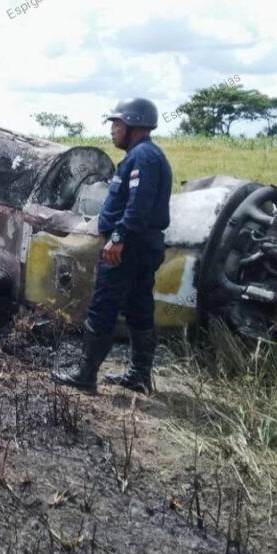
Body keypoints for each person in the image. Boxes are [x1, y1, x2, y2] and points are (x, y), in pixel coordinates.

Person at [51, 98, 172, 394]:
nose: (112, 131)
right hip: (144, 245)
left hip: (129, 247)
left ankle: (85, 374)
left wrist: (119, 238)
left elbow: (138, 205)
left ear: (133, 124)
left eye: (116, 125)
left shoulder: (142, 158)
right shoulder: (146, 155)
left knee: (104, 304)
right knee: (138, 305)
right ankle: (139, 375)